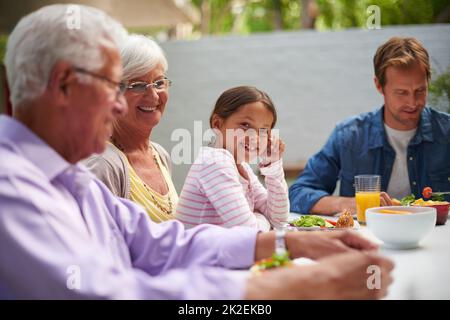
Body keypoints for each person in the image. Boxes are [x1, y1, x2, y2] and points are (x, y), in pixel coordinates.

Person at [0, 4, 394, 299]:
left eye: (153, 83)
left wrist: (287, 243)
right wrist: (290, 286)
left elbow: (159, 243)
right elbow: (108, 293)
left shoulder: (71, 180)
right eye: (113, 85)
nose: (121, 104)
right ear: (65, 84)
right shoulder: (11, 188)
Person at [289, 37, 450, 215]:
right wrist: (346, 204)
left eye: (420, 90)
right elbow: (298, 193)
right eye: (401, 93)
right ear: (379, 86)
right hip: (366, 240)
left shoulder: (446, 132)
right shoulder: (349, 136)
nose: (412, 102)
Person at [84, 34, 178, 223]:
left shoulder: (160, 155)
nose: (153, 96)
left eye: (159, 83)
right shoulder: (103, 165)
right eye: (138, 86)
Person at [176, 86, 289, 231]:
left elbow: (279, 220)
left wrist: (273, 165)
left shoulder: (242, 167)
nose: (254, 137)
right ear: (217, 124)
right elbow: (251, 232)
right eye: (245, 125)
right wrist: (261, 218)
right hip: (198, 253)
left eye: (263, 130)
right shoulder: (215, 162)